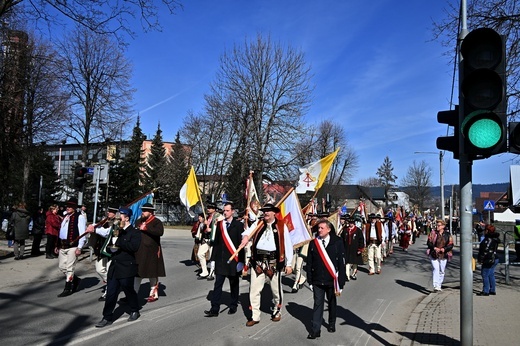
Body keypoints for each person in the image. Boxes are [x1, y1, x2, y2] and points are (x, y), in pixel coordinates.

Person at [241, 203, 293, 326]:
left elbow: (288, 245)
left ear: (274, 213)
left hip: (274, 262)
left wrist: (289, 263)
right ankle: (255, 315)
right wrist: (245, 237)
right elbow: (246, 233)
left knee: (276, 290)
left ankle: (277, 311)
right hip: (257, 261)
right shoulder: (258, 224)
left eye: (268, 211)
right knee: (254, 290)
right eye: (264, 211)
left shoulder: (281, 226)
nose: (266, 213)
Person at [95, 207, 142, 327]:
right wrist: (111, 247)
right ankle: (107, 317)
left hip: (127, 266)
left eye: (120, 215)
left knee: (128, 290)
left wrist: (119, 242)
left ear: (126, 218)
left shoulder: (134, 232)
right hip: (115, 266)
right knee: (111, 292)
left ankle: (134, 310)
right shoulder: (116, 230)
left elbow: (134, 247)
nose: (117, 217)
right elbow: (111, 247)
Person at [306, 219, 346, 339]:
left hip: (331, 280)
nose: (319, 230)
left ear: (328, 229)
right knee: (318, 304)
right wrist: (310, 280)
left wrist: (341, 283)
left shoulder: (337, 242)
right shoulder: (314, 243)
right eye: (318, 228)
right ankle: (315, 330)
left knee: (332, 302)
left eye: (322, 228)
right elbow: (309, 263)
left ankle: (332, 323)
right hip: (318, 279)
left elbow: (341, 264)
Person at [204, 202, 245, 317]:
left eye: (227, 210)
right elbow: (216, 243)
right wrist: (213, 260)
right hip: (221, 261)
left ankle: (233, 305)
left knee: (234, 284)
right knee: (217, 285)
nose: (225, 212)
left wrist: (241, 261)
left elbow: (241, 245)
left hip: (233, 260)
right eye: (224, 211)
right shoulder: (220, 224)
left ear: (232, 211)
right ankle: (214, 308)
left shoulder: (239, 225)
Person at [86, 206, 119, 301]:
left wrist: (95, 229)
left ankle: (108, 291)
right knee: (99, 269)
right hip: (102, 251)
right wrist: (92, 226)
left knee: (109, 271)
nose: (109, 213)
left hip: (112, 251)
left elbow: (107, 233)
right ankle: (112, 283)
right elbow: (97, 228)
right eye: (109, 211)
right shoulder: (104, 221)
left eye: (112, 211)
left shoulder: (117, 223)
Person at [135, 203, 166, 302]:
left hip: (152, 251)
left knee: (152, 272)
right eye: (142, 210)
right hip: (139, 251)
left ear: (151, 212)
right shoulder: (139, 221)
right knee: (137, 272)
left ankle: (153, 292)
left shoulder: (157, 222)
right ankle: (133, 294)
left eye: (145, 211)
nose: (143, 212)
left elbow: (160, 232)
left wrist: (147, 228)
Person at [57, 198, 87, 297]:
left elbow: (82, 233)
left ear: (74, 207)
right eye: (67, 206)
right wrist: (57, 245)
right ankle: (76, 280)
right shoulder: (66, 216)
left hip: (73, 246)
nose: (68, 208)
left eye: (70, 206)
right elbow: (61, 231)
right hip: (63, 245)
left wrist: (79, 247)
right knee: (62, 267)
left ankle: (68, 287)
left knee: (70, 268)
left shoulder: (80, 217)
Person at [426, 219, 454, 292]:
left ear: (443, 226)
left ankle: (439, 285)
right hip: (434, 254)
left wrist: (444, 249)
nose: (437, 227)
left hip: (443, 255)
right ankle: (435, 286)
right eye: (437, 225)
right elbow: (429, 242)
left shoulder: (447, 234)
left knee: (442, 270)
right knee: (436, 269)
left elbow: (451, 244)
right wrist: (434, 248)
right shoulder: (433, 233)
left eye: (439, 225)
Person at [476, 224, 500, 296]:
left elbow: (484, 251)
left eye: (485, 229)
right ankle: (492, 290)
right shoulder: (495, 239)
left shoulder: (488, 240)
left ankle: (486, 291)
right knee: (491, 274)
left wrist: (480, 259)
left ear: (487, 231)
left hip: (489, 259)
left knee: (485, 274)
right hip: (495, 258)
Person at [341, 216, 364, 281]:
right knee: (347, 262)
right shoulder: (345, 230)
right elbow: (342, 239)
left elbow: (361, 240)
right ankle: (347, 275)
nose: (351, 224)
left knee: (355, 262)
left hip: (355, 249)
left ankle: (354, 274)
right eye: (350, 222)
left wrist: (360, 249)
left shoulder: (358, 231)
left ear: (354, 223)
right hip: (347, 248)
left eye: (352, 223)